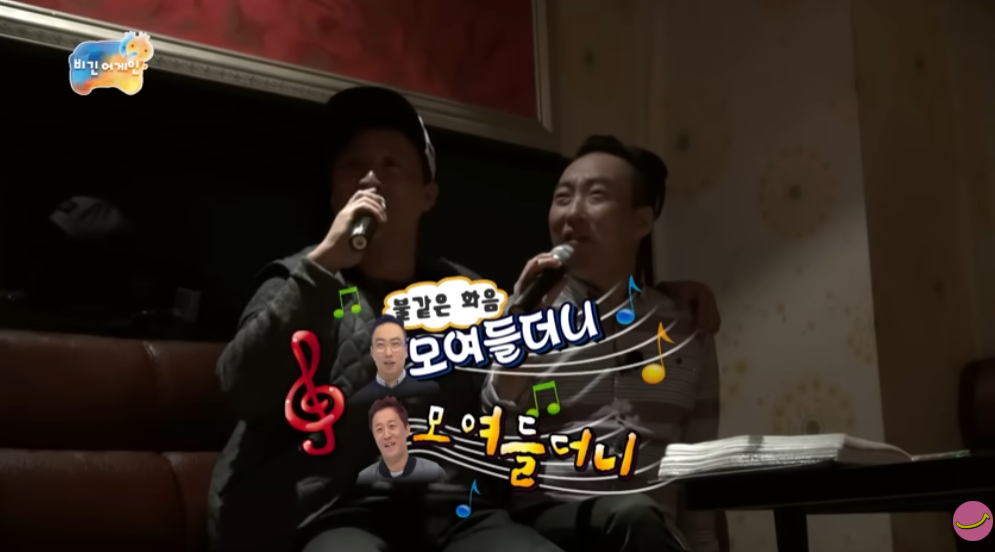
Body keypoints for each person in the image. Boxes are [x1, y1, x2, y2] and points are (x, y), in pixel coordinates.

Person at [207, 85, 721, 552]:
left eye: (392, 164)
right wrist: (323, 265)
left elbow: (502, 402)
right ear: (334, 191)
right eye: (352, 165)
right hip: (336, 509)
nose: (370, 177)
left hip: (454, 510)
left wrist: (666, 296)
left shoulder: (469, 293)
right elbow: (241, 389)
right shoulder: (297, 279)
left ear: (428, 196)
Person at [485, 135, 727, 552]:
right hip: (547, 524)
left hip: (651, 532)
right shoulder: (522, 316)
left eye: (596, 196)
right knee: (631, 514)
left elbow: (697, 463)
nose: (573, 213)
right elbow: (492, 437)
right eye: (562, 198)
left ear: (642, 222)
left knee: (639, 518)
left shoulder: (687, 325)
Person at [350, 315, 439, 405]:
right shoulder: (359, 401)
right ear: (372, 352)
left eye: (395, 344)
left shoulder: (428, 392)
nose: (388, 353)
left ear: (406, 350)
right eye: (380, 345)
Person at [356, 396, 446, 484]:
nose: (386, 435)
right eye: (379, 429)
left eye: (392, 426)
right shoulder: (364, 479)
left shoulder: (434, 472)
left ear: (407, 429)